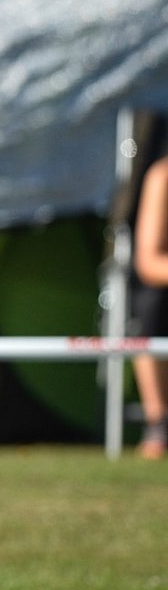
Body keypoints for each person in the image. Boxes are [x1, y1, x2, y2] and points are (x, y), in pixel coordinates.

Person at [131, 154, 168, 459]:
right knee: (151, 305)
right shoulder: (162, 177)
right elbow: (148, 263)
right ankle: (159, 424)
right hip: (161, 289)